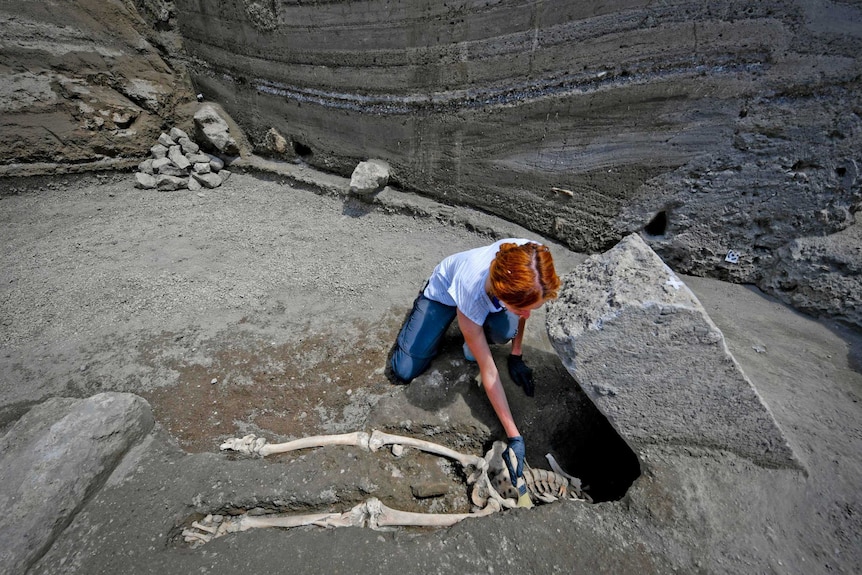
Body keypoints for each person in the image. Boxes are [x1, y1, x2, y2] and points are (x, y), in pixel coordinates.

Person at [390, 238, 561, 494]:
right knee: (403, 370)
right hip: (445, 294)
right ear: (502, 293)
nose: (528, 314)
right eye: (521, 307)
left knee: (507, 329)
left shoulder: (532, 257)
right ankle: (438, 320)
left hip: (488, 299)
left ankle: (478, 332)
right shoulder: (471, 290)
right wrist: (514, 434)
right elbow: (488, 371)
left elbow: (526, 303)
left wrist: (516, 353)